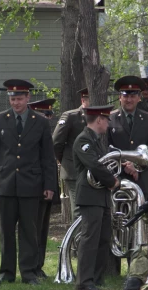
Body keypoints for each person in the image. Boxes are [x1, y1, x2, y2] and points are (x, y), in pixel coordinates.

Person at [0, 79, 57, 285]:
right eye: (13, 99)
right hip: (5, 184)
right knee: (6, 232)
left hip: (31, 184)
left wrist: (49, 185)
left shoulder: (40, 122)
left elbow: (48, 158)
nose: (16, 103)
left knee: (29, 231)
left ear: (28, 98)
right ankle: (6, 273)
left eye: (19, 99)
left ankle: (29, 272)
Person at [73, 105, 120, 290]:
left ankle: (96, 278)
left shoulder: (97, 141)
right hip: (90, 195)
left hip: (101, 196)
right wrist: (112, 181)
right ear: (99, 119)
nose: (108, 124)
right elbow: (95, 165)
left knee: (103, 238)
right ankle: (84, 281)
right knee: (90, 238)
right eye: (106, 119)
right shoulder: (83, 140)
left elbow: (106, 163)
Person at [108, 75, 148, 199]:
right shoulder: (109, 119)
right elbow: (106, 147)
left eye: (132, 96)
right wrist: (125, 164)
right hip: (118, 176)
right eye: (125, 96)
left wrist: (136, 165)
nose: (129, 100)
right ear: (120, 97)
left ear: (139, 98)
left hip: (141, 177)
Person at [27, 98, 58, 279]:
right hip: (32, 187)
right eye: (43, 114)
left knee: (42, 229)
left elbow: (50, 162)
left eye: (49, 114)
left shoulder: (46, 132)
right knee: (32, 229)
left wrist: (51, 187)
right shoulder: (29, 134)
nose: (47, 117)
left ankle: (39, 265)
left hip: (45, 187)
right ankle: (31, 266)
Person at [52, 88, 90, 222]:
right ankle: (76, 240)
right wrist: (64, 160)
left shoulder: (100, 117)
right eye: (87, 100)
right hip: (74, 169)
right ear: (82, 100)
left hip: (93, 170)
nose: (90, 103)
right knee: (78, 207)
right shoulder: (71, 116)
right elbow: (57, 142)